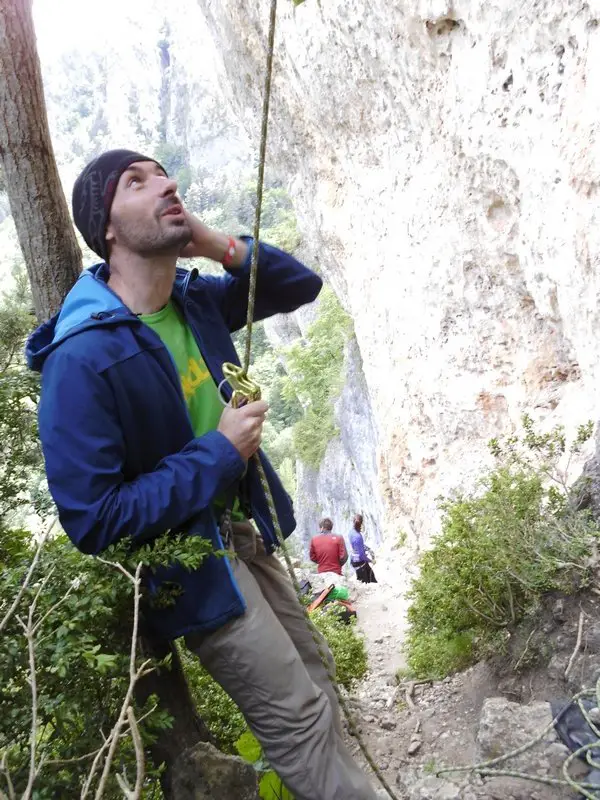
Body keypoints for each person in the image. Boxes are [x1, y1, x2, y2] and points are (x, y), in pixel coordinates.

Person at [26, 150, 380, 800]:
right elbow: (93, 518)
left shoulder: (193, 305)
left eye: (164, 174)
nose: (166, 184)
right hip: (196, 571)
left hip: (245, 534)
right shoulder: (83, 358)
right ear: (105, 225)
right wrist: (219, 452)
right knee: (297, 717)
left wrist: (215, 243)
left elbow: (298, 285)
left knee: (318, 676)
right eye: (138, 181)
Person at [349, 514, 377, 584]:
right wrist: (371, 561)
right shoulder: (358, 536)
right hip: (360, 563)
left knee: (365, 578)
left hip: (354, 560)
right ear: (361, 523)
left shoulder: (351, 532)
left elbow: (357, 546)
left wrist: (368, 549)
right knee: (370, 580)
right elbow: (361, 556)